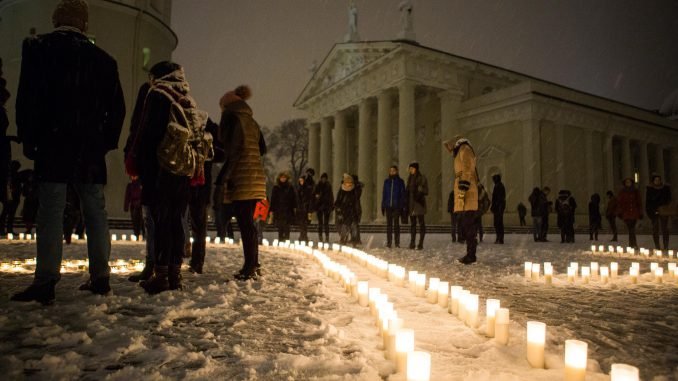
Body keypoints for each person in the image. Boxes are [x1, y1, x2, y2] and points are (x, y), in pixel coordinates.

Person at [12, 0, 125, 305]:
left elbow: (27, 97)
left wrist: (29, 137)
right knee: (95, 211)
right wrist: (103, 142)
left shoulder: (38, 49)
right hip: (89, 147)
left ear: (56, 19)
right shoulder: (104, 60)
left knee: (50, 209)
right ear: (84, 23)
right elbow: (117, 110)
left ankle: (46, 281)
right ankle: (101, 277)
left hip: (53, 142)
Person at [134, 61, 206, 293]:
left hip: (161, 169)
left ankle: (162, 274)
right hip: (183, 170)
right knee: (176, 220)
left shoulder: (159, 95)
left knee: (161, 221)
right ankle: (175, 275)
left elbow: (148, 134)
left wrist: (142, 167)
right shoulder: (187, 99)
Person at [217, 84, 267, 280]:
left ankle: (250, 266)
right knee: (249, 224)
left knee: (245, 224)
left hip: (241, 176)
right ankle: (253, 263)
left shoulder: (231, 118)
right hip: (255, 176)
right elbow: (262, 148)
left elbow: (231, 149)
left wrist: (225, 177)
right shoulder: (252, 121)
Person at [187, 118, 219, 274]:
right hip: (198, 186)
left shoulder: (202, 138)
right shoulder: (208, 139)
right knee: (198, 226)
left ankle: (195, 260)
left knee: (197, 226)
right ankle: (195, 260)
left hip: (195, 185)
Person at [445, 137, 479, 264]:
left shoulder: (464, 149)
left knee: (468, 225)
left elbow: (468, 167)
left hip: (467, 190)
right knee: (466, 224)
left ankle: (471, 254)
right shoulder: (461, 151)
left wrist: (464, 183)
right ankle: (470, 253)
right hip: (463, 189)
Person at [382, 165, 406, 248]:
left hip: (396, 206)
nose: (392, 172)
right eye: (390, 171)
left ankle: (397, 242)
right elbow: (384, 194)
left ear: (396, 171)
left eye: (393, 171)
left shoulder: (400, 182)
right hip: (388, 206)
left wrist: (401, 205)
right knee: (389, 225)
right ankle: (389, 242)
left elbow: (403, 194)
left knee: (396, 225)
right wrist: (383, 205)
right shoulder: (387, 182)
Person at [645, 174, 672, 250]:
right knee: (655, 229)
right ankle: (657, 246)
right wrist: (650, 211)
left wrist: (666, 207)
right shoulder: (650, 189)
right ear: (653, 181)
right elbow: (648, 202)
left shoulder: (665, 188)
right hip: (654, 211)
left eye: (659, 180)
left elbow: (669, 199)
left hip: (663, 211)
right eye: (656, 180)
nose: (657, 181)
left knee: (665, 229)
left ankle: (666, 245)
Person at [406, 162, 428, 250]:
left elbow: (426, 190)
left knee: (421, 223)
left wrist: (420, 191)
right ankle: (412, 242)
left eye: (412, 168)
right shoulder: (409, 178)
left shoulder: (422, 178)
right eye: (410, 168)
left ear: (416, 169)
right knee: (413, 224)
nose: (410, 170)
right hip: (411, 204)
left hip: (419, 203)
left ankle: (420, 243)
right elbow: (408, 191)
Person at [335, 173, 361, 246]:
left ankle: (354, 240)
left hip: (352, 211)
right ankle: (344, 238)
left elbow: (356, 200)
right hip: (344, 211)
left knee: (353, 226)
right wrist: (338, 210)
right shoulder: (342, 191)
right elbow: (338, 201)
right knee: (344, 225)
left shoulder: (355, 191)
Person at [616, 177, 642, 249]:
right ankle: (633, 243)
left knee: (632, 229)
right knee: (631, 228)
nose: (628, 183)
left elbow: (639, 202)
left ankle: (632, 243)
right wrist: (620, 212)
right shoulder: (622, 192)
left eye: (629, 182)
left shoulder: (635, 191)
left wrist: (640, 212)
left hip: (634, 212)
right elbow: (619, 203)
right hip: (626, 213)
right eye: (627, 182)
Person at [270, 172, 296, 242]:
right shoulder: (276, 187)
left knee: (287, 227)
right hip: (279, 210)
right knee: (280, 227)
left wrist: (294, 208)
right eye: (282, 177)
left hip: (288, 210)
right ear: (279, 178)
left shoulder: (290, 187)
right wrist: (272, 210)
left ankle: (287, 240)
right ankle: (281, 240)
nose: (283, 179)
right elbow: (273, 199)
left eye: (284, 177)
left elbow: (293, 198)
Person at [1, 161, 21, 234]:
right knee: (6, 214)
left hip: (13, 198)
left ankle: (7, 229)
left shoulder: (15, 176)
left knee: (9, 214)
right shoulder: (9, 176)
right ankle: (3, 229)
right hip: (9, 197)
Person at [313, 172, 333, 243]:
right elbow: (314, 195)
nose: (323, 179)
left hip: (326, 206)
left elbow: (331, 197)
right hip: (319, 206)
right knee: (320, 223)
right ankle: (320, 236)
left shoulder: (328, 186)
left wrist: (331, 206)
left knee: (326, 223)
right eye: (323, 178)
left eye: (325, 178)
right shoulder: (318, 186)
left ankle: (327, 236)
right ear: (321, 178)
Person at [295, 175, 313, 243]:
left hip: (306, 209)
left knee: (305, 224)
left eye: (302, 181)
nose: (301, 182)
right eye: (300, 181)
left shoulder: (307, 189)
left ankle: (304, 236)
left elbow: (310, 200)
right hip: (300, 209)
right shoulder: (299, 189)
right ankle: (302, 236)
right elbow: (297, 199)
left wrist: (309, 210)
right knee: (301, 224)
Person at [490, 174, 506, 244]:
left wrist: (497, 206)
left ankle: (499, 238)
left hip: (498, 208)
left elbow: (499, 199)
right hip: (498, 208)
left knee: (498, 224)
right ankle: (499, 238)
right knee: (497, 224)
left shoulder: (499, 186)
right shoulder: (498, 186)